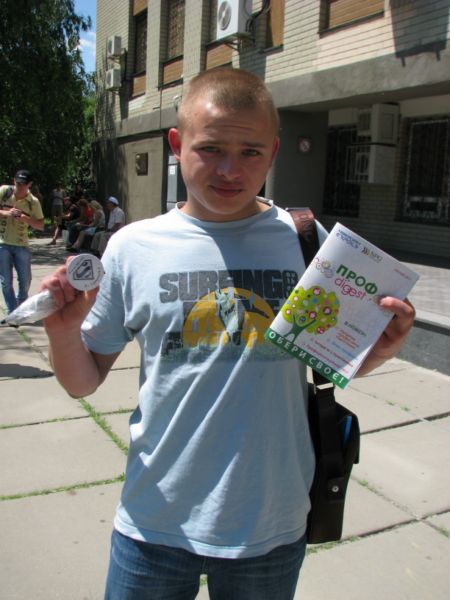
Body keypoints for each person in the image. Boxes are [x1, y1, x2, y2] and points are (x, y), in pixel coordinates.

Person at [40, 68, 415, 600]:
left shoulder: (308, 241)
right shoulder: (133, 247)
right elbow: (83, 382)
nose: (229, 170)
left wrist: (378, 350)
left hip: (269, 522)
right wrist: (63, 332)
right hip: (154, 522)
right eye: (211, 148)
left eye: (250, 152)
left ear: (274, 152)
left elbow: (328, 361)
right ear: (177, 144)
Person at [0, 169, 44, 314]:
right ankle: (13, 312)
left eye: (24, 184)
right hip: (2, 243)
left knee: (25, 280)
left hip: (21, 245)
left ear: (29, 184)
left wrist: (24, 218)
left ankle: (21, 306)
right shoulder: (4, 192)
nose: (20, 187)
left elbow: (40, 225)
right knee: (6, 282)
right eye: (18, 183)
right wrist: (7, 213)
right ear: (14, 181)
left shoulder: (33, 202)